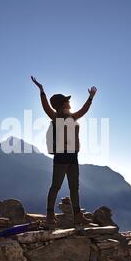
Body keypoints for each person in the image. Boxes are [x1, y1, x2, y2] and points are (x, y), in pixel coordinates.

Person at [31, 76, 97, 227]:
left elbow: (84, 110)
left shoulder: (73, 116)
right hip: (62, 156)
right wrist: (41, 91)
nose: (69, 102)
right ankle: (49, 216)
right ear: (62, 104)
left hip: (73, 156)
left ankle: (77, 216)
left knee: (74, 187)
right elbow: (46, 106)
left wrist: (91, 97)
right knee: (56, 186)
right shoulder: (56, 117)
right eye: (67, 100)